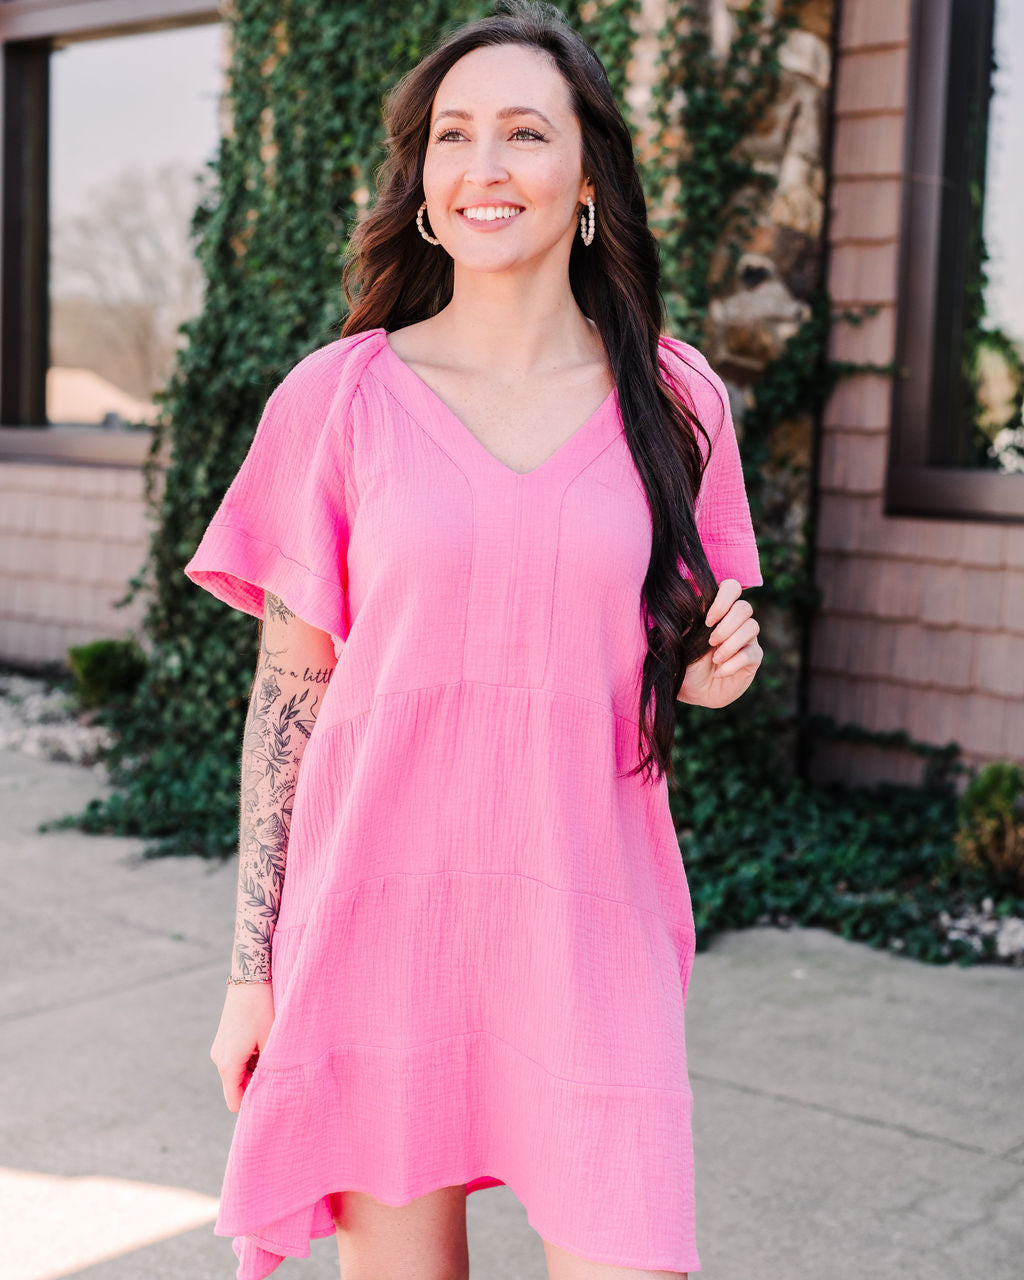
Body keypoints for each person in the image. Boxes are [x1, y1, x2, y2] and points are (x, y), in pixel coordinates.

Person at [185, 2, 763, 1278]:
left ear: (587, 179)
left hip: (588, 928)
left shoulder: (678, 400)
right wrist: (250, 973)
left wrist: (716, 670)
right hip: (378, 929)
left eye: (522, 132)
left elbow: (686, 637)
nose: (482, 166)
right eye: (453, 135)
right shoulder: (336, 400)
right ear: (425, 184)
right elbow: (286, 706)